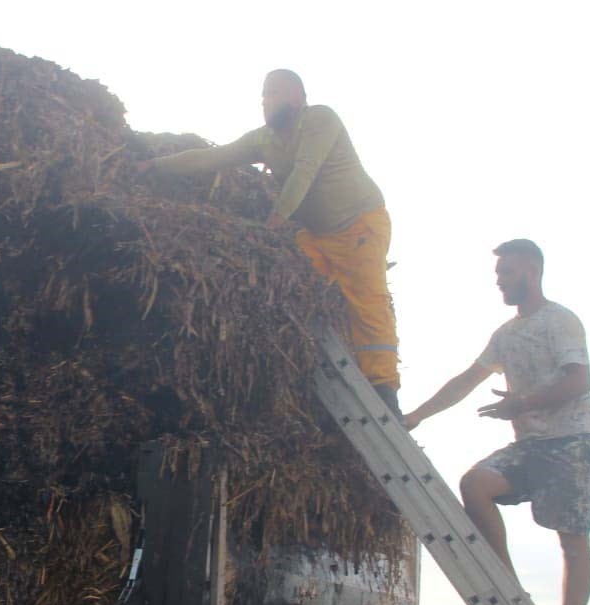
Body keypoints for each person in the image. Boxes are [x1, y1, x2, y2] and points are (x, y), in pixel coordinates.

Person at [136, 69, 400, 413]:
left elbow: (306, 170)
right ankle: (305, 372)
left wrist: (277, 219)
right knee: (294, 287)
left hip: (358, 225)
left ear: (298, 96)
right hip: (316, 236)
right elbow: (212, 157)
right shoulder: (264, 140)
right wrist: (154, 165)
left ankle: (383, 391)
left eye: (274, 92)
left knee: (368, 302)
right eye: (264, 94)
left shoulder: (320, 119)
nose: (267, 100)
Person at [403, 239, 590, 605]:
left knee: (571, 541)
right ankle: (511, 588)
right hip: (531, 446)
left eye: (506, 272)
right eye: (498, 274)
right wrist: (416, 416)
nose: (499, 281)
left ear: (531, 271)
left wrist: (522, 403)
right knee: (475, 484)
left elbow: (579, 382)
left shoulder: (560, 321)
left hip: (576, 441)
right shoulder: (506, 335)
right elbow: (465, 380)